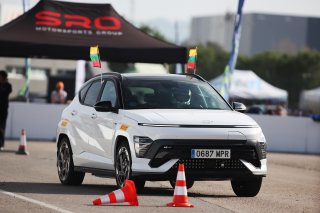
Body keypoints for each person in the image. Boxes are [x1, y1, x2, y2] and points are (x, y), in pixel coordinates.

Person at [0, 70, 12, 151]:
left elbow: (7, 92)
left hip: (3, 110)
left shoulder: (7, 85)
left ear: (4, 77)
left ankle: (1, 144)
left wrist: (3, 83)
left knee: (1, 127)